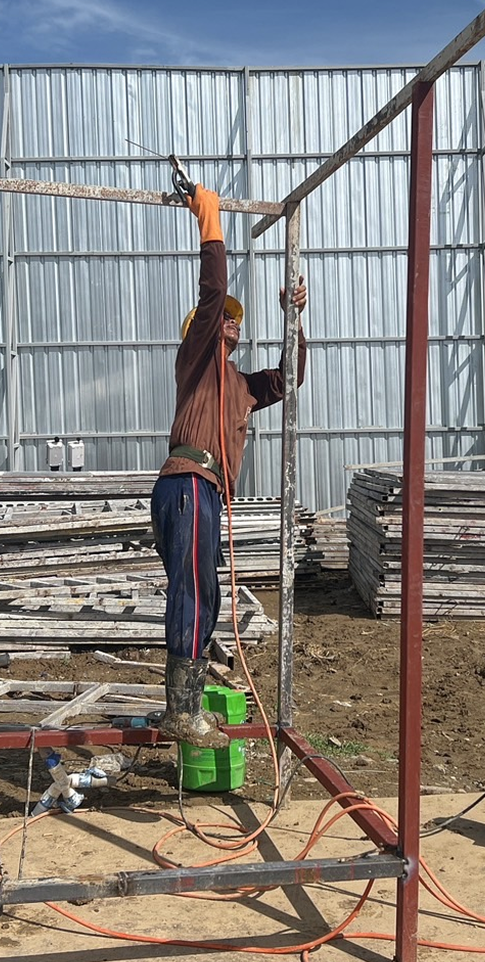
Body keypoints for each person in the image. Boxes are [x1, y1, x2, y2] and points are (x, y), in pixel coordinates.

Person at [153, 187, 308, 749]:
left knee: (207, 594)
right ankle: (180, 711)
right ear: (202, 327)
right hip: (187, 482)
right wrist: (210, 221)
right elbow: (214, 292)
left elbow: (289, 377)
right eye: (224, 319)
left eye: (238, 320)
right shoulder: (196, 360)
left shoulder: (240, 385)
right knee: (194, 590)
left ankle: (188, 705)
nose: (232, 322)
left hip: (205, 492)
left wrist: (294, 319)